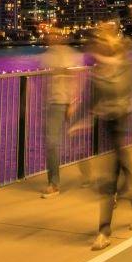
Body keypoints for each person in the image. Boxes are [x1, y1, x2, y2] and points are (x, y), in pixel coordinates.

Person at [83, 20, 132, 250]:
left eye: (101, 44)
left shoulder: (124, 68)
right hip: (104, 124)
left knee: (109, 177)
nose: (96, 50)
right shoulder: (97, 71)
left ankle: (104, 230)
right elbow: (89, 99)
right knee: (122, 170)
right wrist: (77, 123)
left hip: (120, 122)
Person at [39, 26, 78, 197]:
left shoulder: (65, 54)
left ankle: (54, 184)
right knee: (59, 140)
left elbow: (72, 77)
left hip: (62, 102)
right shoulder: (49, 54)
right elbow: (44, 79)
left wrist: (72, 102)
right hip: (52, 103)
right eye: (48, 35)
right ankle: (55, 181)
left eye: (53, 34)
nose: (50, 37)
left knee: (53, 142)